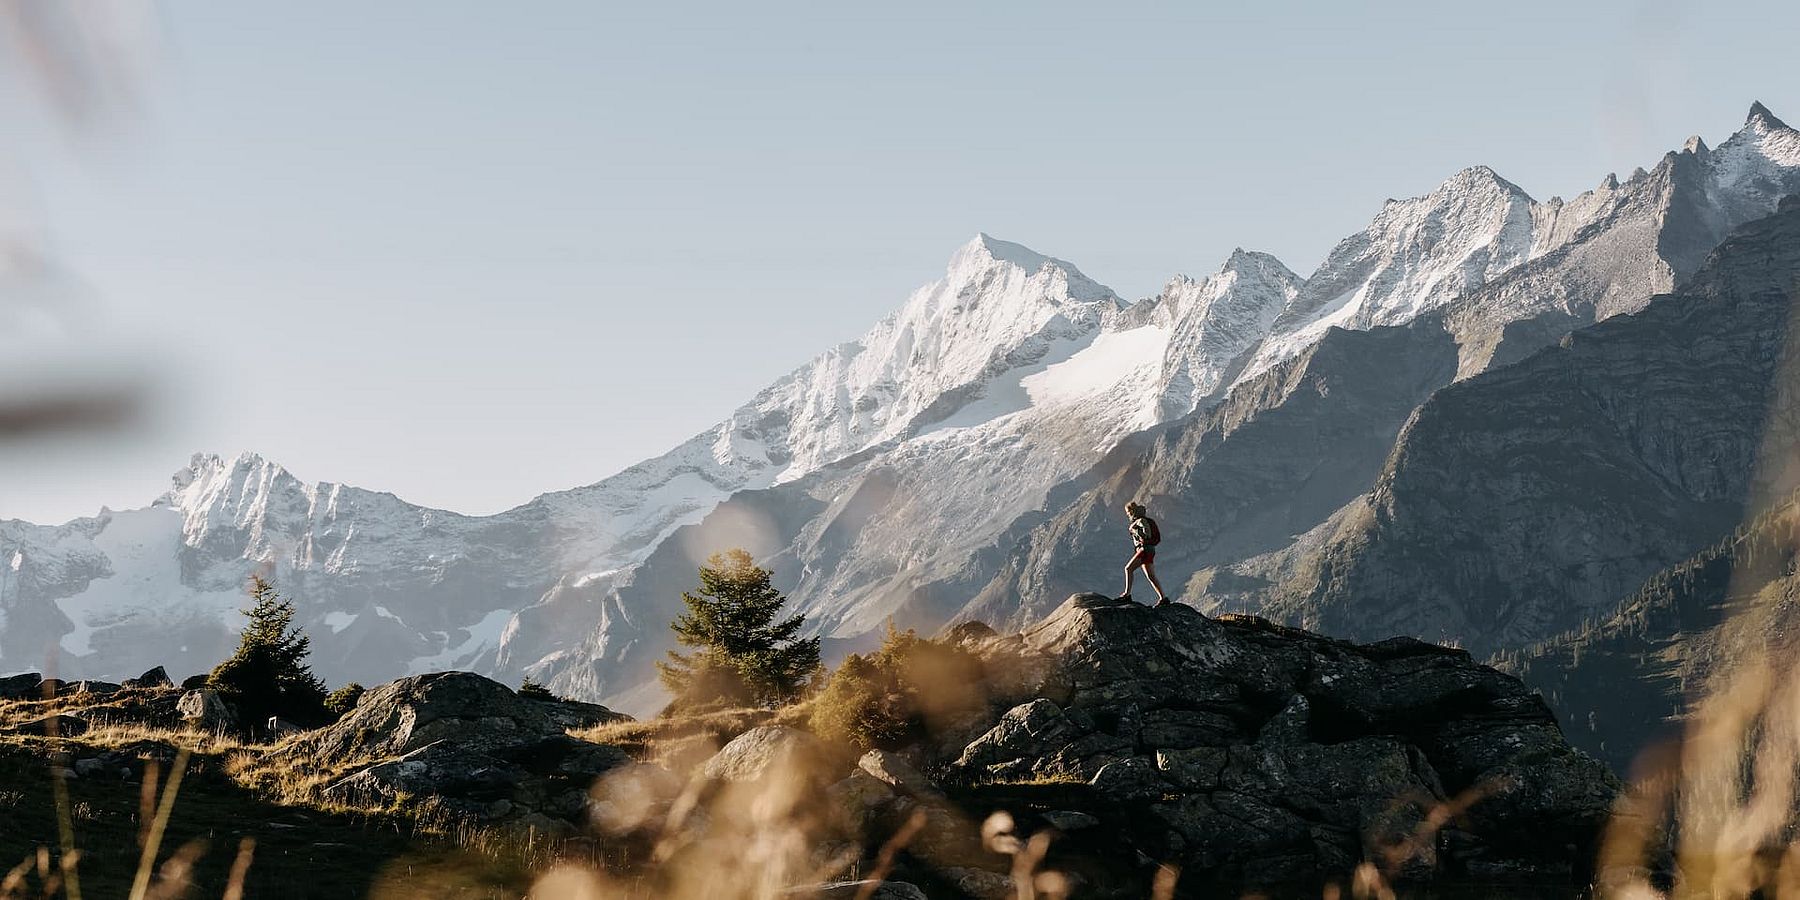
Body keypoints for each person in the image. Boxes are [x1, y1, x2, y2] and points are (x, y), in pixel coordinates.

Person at [1118, 500, 1169, 606]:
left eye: (1128, 512)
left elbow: (1147, 535)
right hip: (1150, 550)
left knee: (1128, 569)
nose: (1127, 514)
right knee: (1151, 576)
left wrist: (1134, 530)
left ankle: (1127, 594)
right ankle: (1163, 598)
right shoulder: (1142, 520)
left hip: (1144, 549)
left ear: (1132, 511)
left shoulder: (1140, 521)